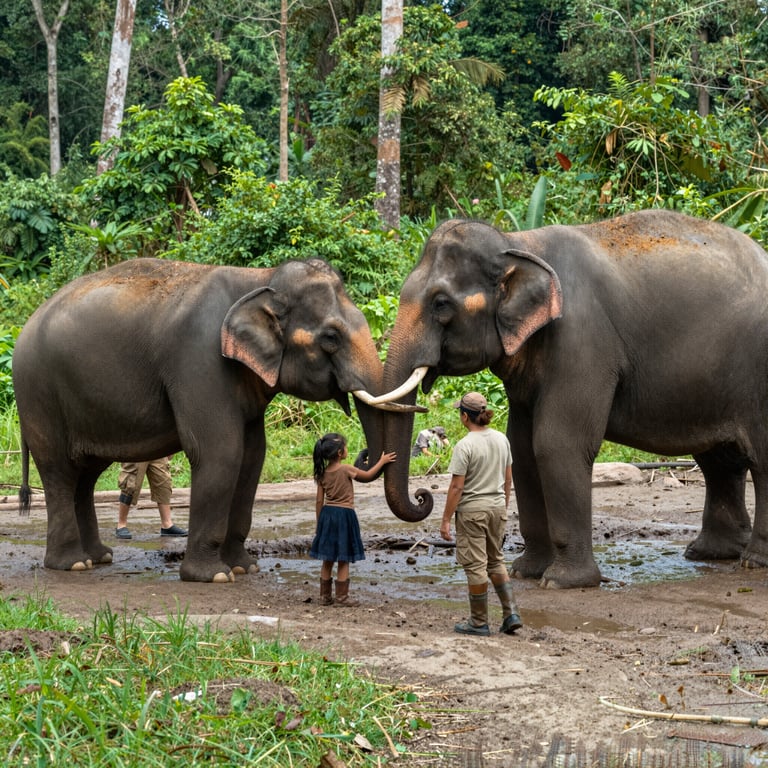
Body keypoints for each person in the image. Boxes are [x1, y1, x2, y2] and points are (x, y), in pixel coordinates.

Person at [439, 392, 522, 637]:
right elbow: (508, 478)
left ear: (465, 417)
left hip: (473, 512)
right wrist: (502, 506)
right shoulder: (501, 439)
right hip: (497, 508)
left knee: (476, 565)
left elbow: (457, 487)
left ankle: (478, 622)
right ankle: (511, 614)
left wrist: (445, 519)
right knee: (496, 560)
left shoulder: (464, 445)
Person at [311, 433, 396, 606]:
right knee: (344, 557)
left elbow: (319, 501)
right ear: (340, 453)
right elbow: (368, 475)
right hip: (345, 515)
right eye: (345, 446)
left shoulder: (321, 474)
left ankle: (324, 597)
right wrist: (382, 461)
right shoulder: (346, 469)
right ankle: (342, 598)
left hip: (327, 515)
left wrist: (320, 523)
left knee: (328, 558)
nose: (347, 449)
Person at [115, 458, 187, 539]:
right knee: (130, 482)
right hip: (137, 451)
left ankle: (167, 525)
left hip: (157, 451)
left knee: (163, 482)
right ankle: (121, 525)